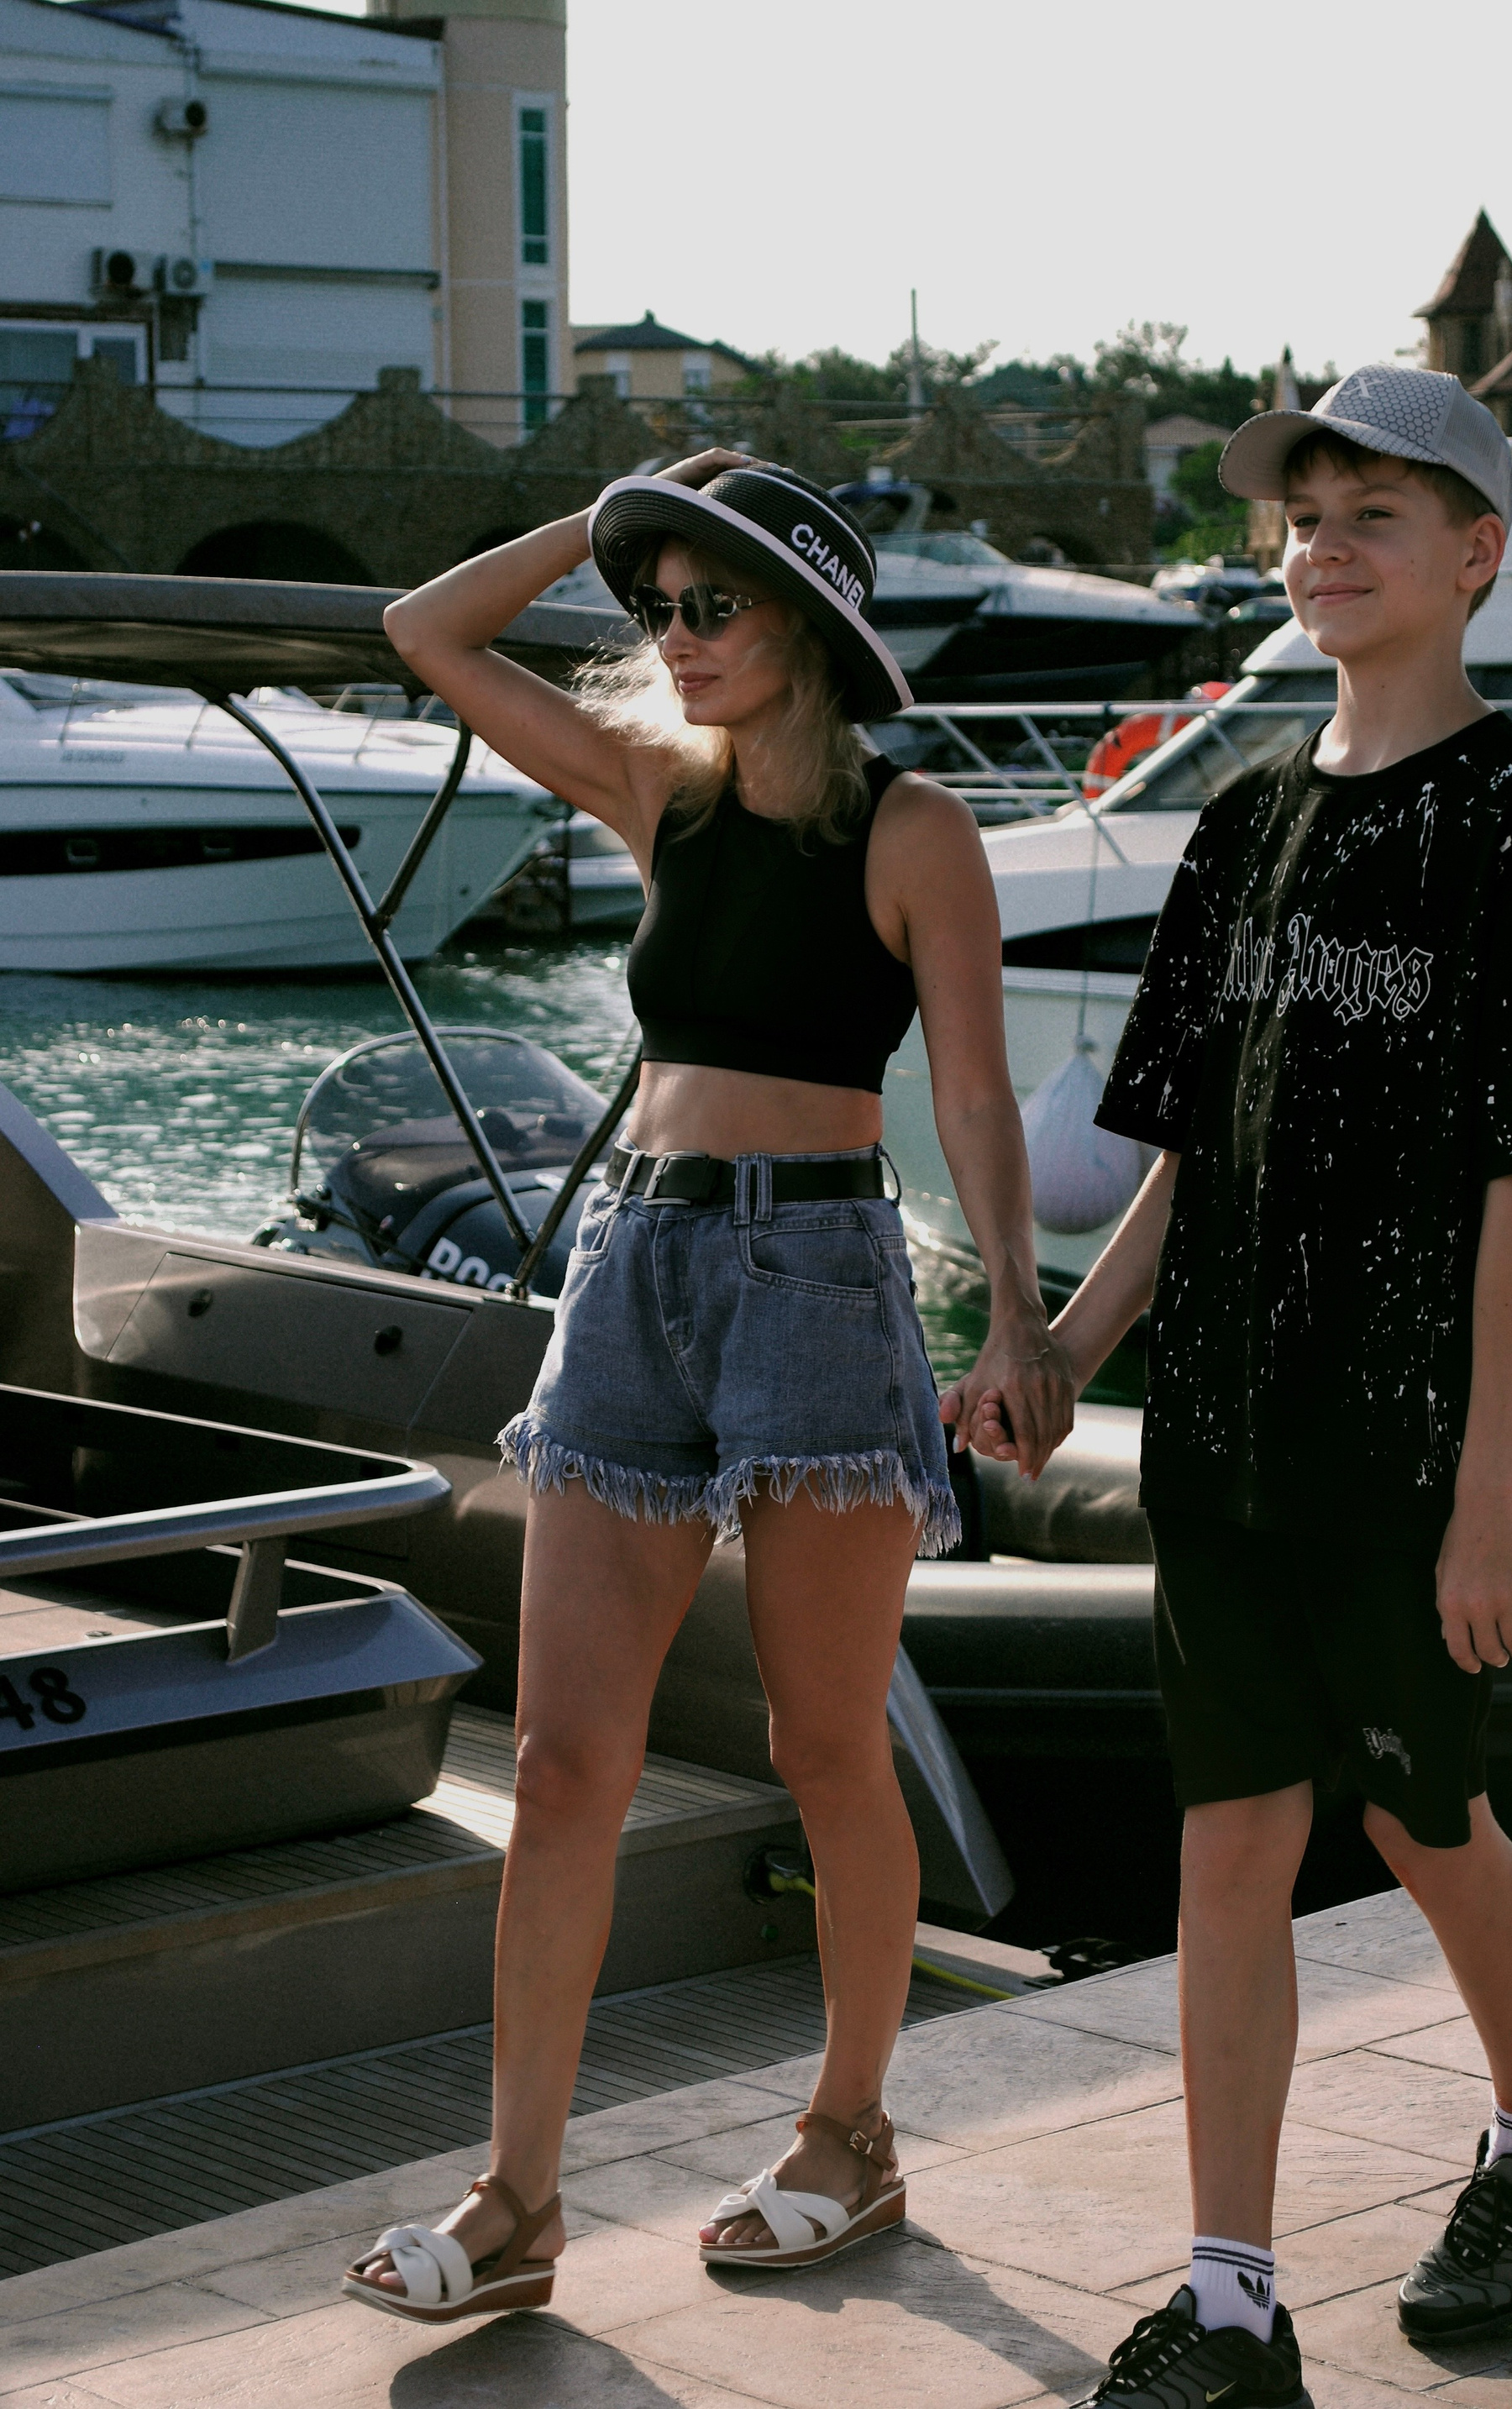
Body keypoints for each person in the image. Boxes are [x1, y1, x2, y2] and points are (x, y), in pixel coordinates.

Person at [339, 453, 1074, 2322]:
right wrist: (608, 515)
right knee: (565, 1759)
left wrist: (1016, 1320)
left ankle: (850, 2131)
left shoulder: (914, 830)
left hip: (818, 1277)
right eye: (652, 605)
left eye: (711, 602)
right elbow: (426, 633)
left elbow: (973, 1094)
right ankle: (518, 2199)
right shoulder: (658, 790)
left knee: (826, 1747)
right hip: (633, 1272)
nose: (671, 635)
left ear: (807, 624)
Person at [963, 366, 1512, 2408]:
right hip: (1222, 1436)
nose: (1324, 548)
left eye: (1372, 517)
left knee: (1425, 1820)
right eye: (1305, 516)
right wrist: (1074, 1342)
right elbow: (1191, 1143)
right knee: (1228, 1847)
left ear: (1476, 556)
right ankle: (1234, 2299)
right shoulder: (1243, 817)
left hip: (1403, 1447)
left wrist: (1492, 1492)